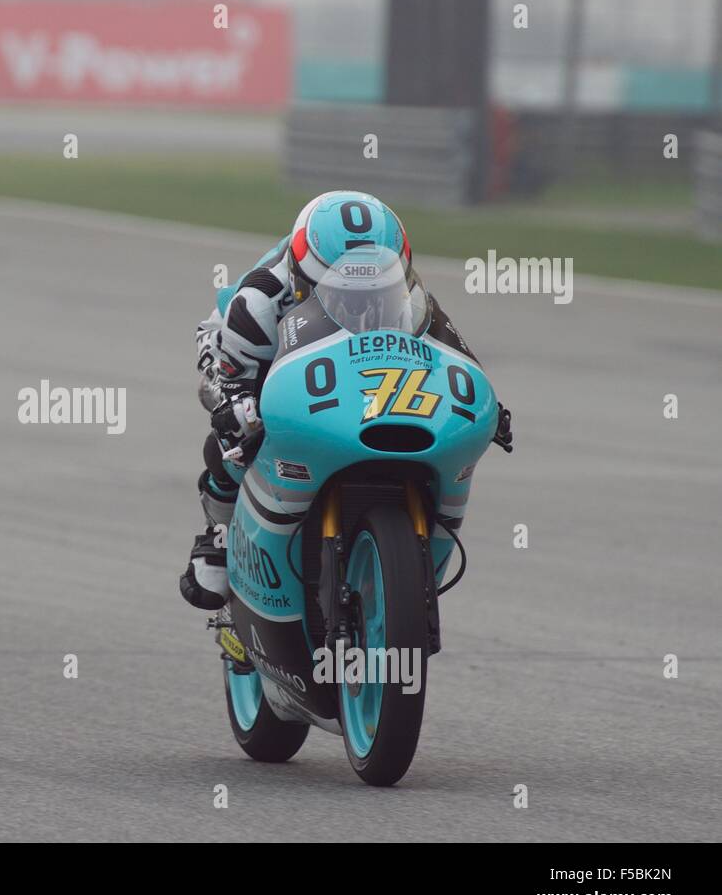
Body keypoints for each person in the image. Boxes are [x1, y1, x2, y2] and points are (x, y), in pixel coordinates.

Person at [179, 190, 513, 610]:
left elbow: (449, 351)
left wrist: (486, 408)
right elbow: (231, 383)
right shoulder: (259, 301)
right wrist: (237, 400)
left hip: (347, 354)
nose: (363, 302)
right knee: (237, 428)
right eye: (345, 291)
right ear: (304, 278)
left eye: (378, 289)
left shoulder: (408, 293)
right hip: (238, 353)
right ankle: (218, 533)